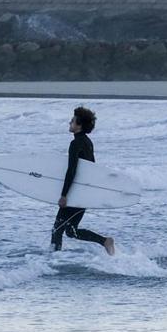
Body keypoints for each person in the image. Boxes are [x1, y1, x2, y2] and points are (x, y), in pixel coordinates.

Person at [52, 106, 116, 255]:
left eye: (72, 121)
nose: (69, 122)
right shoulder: (88, 142)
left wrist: (64, 195)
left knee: (57, 229)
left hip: (75, 192)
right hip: (84, 191)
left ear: (79, 125)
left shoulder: (75, 144)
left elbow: (72, 170)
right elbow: (92, 168)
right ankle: (105, 241)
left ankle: (52, 260)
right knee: (71, 231)